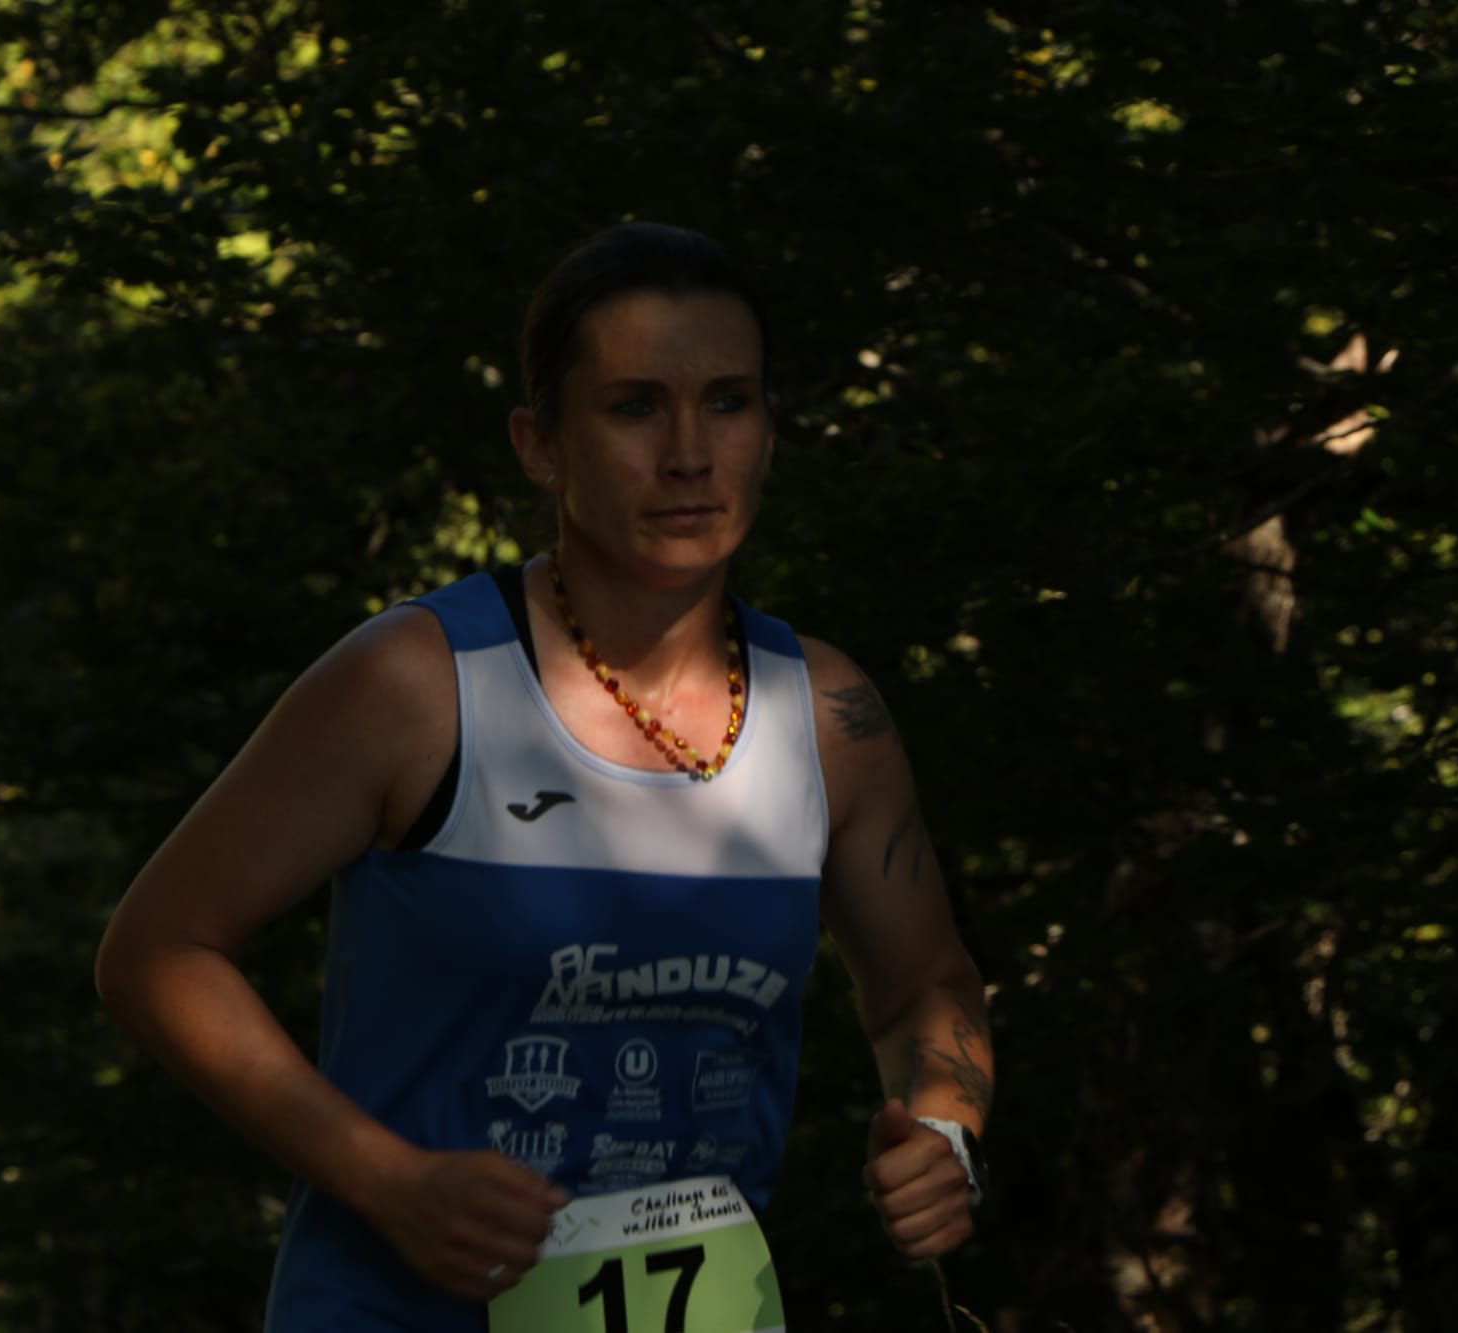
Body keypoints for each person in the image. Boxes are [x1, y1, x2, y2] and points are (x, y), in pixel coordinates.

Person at [96, 221, 994, 1330]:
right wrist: (384, 1178)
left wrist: (942, 1130)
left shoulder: (828, 715)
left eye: (727, 400)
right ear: (539, 444)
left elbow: (924, 986)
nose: (686, 451)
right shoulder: (420, 684)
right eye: (631, 406)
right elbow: (156, 950)